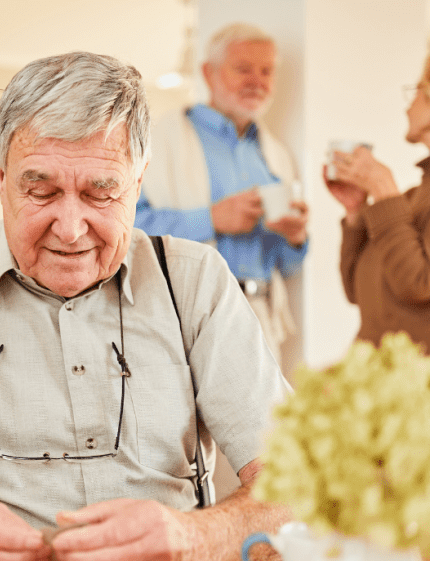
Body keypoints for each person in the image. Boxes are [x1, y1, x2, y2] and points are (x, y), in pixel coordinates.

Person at [0, 50, 291, 561]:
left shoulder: (196, 281)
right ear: (1, 178)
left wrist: (197, 541)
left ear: (138, 184)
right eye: (40, 190)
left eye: (101, 192)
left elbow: (301, 488)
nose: (70, 229)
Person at [135, 23, 309, 366]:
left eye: (266, 71)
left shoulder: (276, 154)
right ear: (208, 73)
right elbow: (129, 227)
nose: (257, 81)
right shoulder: (158, 138)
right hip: (186, 316)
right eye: (243, 69)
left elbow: (287, 266)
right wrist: (212, 219)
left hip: (261, 319)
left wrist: (295, 238)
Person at [325, 54, 430, 351]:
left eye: (418, 91)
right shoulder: (411, 198)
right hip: (376, 382)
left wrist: (384, 190)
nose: (408, 106)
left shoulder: (397, 199)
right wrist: (356, 211)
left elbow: (419, 285)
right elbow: (356, 291)